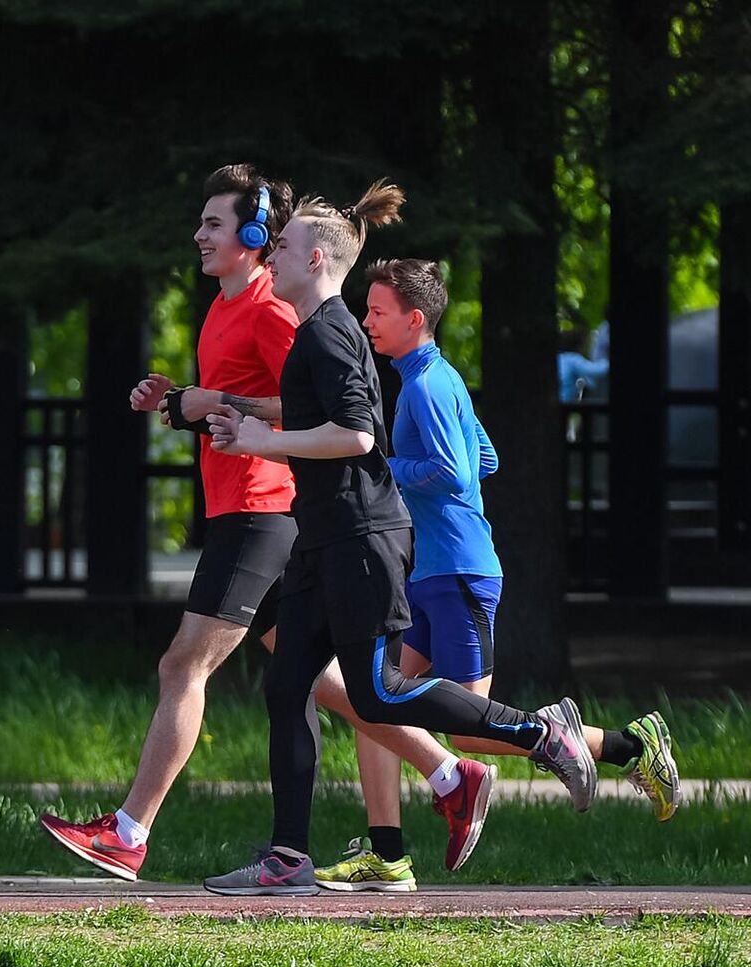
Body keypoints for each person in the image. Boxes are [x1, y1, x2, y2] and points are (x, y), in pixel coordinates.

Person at [38, 165, 492, 884]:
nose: (199, 235)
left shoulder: (273, 308)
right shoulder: (223, 308)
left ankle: (128, 832)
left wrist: (215, 400)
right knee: (321, 682)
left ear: (255, 239)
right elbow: (256, 402)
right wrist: (179, 400)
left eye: (215, 224)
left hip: (263, 510)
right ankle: (446, 775)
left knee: (183, 664)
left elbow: (318, 412)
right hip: (256, 511)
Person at [202, 181, 655, 896]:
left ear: (316, 258)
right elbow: (337, 429)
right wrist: (242, 427)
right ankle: (287, 857)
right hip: (324, 542)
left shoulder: (328, 330)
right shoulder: (318, 330)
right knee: (289, 685)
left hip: (361, 542)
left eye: (281, 247)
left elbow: (356, 434)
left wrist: (267, 437)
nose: (268, 256)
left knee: (379, 693)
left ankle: (541, 735)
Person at [316, 260, 681, 892]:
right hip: (430, 572)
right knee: (373, 700)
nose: (367, 322)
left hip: (458, 572)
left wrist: (380, 469)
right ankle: (386, 851)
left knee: (465, 727)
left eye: (376, 312)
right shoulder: (434, 379)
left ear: (414, 319)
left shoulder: (427, 387)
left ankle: (622, 746)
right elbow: (485, 456)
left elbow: (457, 472)